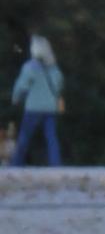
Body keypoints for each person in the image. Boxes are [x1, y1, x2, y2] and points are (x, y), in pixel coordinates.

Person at [9, 35, 64, 167]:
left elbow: (22, 85)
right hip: (50, 107)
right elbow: (58, 84)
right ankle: (55, 163)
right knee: (51, 137)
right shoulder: (53, 68)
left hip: (33, 107)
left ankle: (16, 163)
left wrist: (16, 98)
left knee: (25, 136)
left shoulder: (30, 67)